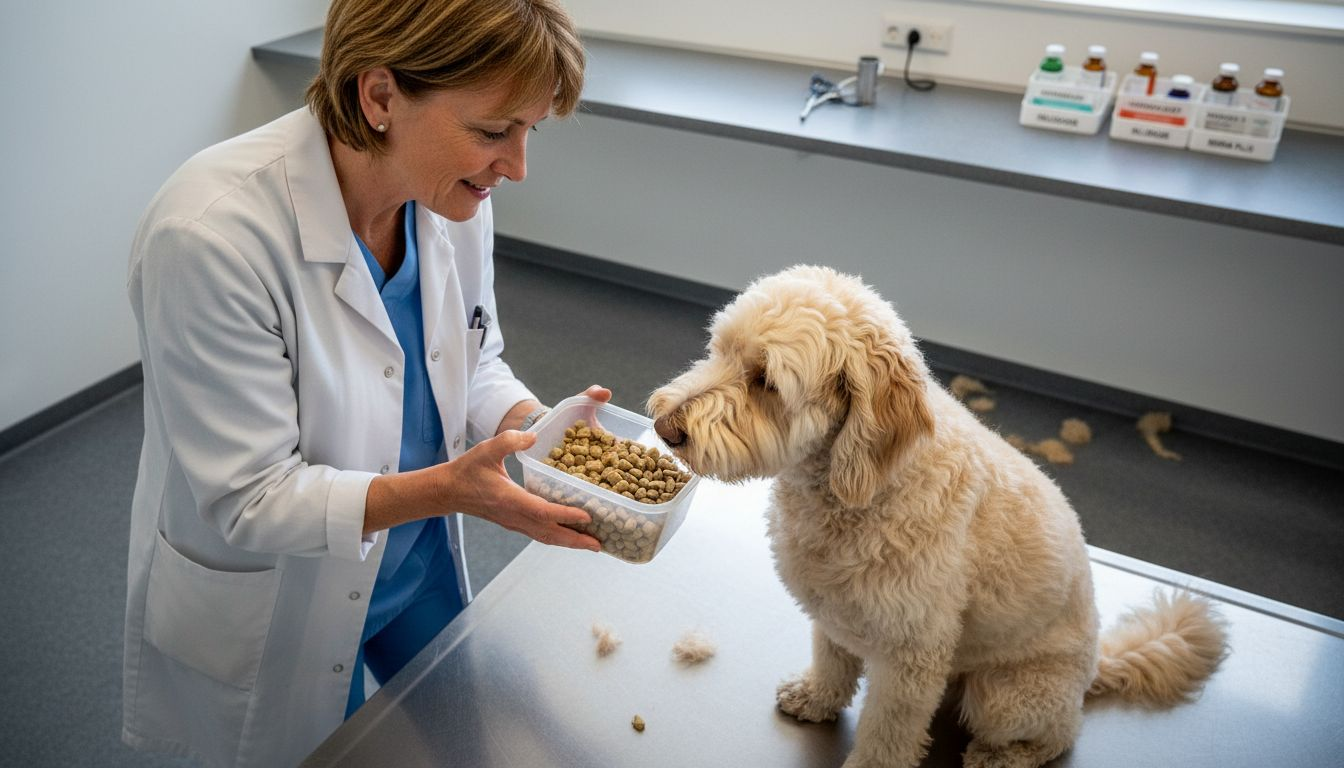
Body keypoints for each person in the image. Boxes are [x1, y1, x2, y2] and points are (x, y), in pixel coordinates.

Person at [121, 1, 599, 765]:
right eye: (492, 131)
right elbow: (252, 497)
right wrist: (455, 489)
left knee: (460, 733)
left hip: (415, 560)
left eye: (529, 130)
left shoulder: (455, 195)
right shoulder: (210, 235)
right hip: (283, 594)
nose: (517, 166)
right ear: (379, 98)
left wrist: (543, 427)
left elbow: (473, 356)